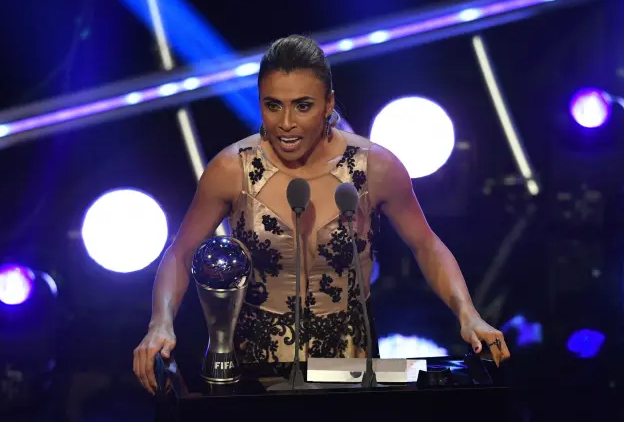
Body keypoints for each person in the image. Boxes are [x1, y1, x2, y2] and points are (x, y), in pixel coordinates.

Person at [133, 34, 510, 394]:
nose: (286, 123)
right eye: (273, 105)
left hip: (351, 372)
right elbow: (181, 253)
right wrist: (159, 324)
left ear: (329, 103)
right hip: (255, 376)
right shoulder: (232, 169)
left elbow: (426, 245)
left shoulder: (375, 167)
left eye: (303, 106)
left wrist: (469, 315)